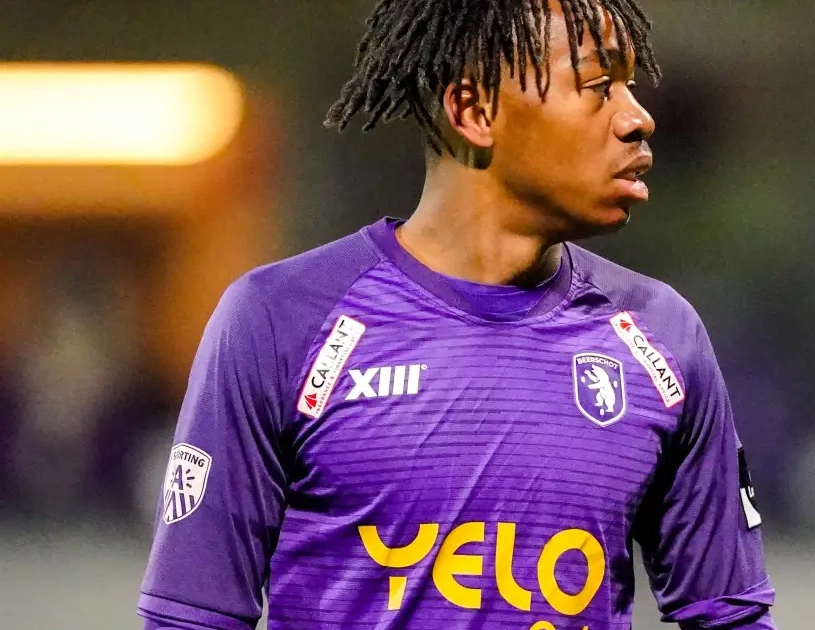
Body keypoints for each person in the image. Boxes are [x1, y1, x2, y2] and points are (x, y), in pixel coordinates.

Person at [137, 0, 776, 628]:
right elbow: (191, 620)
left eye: (630, 88)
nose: (638, 118)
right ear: (473, 110)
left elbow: (731, 617)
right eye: (598, 86)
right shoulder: (281, 321)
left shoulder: (660, 336)